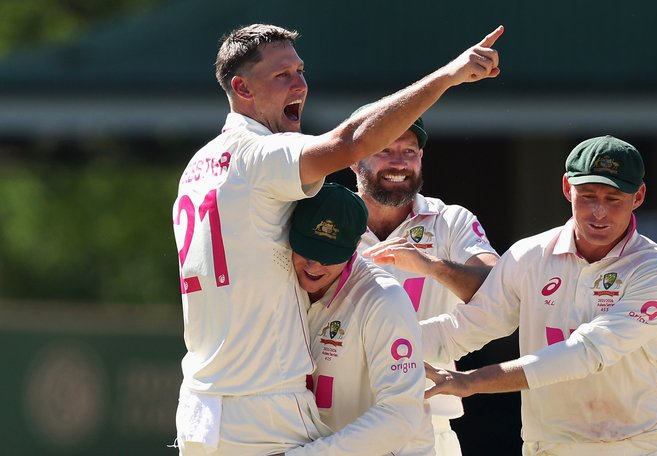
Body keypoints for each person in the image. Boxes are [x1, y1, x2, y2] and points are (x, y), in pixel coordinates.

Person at [171, 22, 503, 455]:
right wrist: (448, 76)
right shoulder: (261, 154)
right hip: (262, 408)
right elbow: (350, 140)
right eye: (282, 75)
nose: (301, 85)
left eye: (300, 70)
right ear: (242, 87)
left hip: (201, 407)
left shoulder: (199, 164)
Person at [420, 136, 657, 455]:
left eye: (613, 198)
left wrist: (470, 381)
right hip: (548, 446)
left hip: (639, 445)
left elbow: (586, 353)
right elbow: (465, 327)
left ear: (638, 196)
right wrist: (377, 343)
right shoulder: (528, 256)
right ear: (566, 187)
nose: (599, 212)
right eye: (587, 196)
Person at [352, 114, 499, 455]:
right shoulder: (327, 219)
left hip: (427, 419)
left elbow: (497, 290)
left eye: (409, 151)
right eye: (385, 149)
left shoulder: (451, 220)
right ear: (354, 159)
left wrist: (431, 266)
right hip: (341, 416)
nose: (399, 163)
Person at [283, 182, 433, 455]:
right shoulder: (279, 285)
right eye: (307, 248)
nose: (314, 265)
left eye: (328, 255)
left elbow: (401, 414)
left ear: (355, 246)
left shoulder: (383, 300)